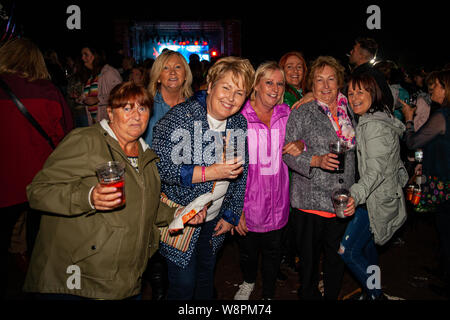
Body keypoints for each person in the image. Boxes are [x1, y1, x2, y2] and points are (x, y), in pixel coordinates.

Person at [23, 82, 205, 300]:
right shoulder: (86, 141)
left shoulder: (146, 156)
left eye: (142, 108)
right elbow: (38, 191)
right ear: (110, 112)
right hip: (78, 278)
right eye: (126, 108)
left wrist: (177, 214)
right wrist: (88, 197)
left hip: (125, 279)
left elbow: (147, 204)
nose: (136, 116)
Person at [152, 56, 255, 300]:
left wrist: (231, 214)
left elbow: (242, 172)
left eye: (239, 92)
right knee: (183, 287)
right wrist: (212, 171)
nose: (231, 98)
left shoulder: (238, 122)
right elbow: (159, 168)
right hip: (182, 217)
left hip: (215, 219)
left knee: (206, 278)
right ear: (210, 86)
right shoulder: (181, 117)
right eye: (226, 87)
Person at [0, 38, 73, 298]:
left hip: (4, 184)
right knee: (39, 245)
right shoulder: (49, 92)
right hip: (40, 182)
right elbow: (66, 137)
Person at [283, 56, 356, 300]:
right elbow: (288, 154)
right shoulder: (301, 112)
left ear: (339, 82)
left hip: (342, 201)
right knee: (309, 266)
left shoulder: (350, 109)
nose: (325, 86)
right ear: (311, 84)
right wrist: (315, 161)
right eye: (319, 80)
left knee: (337, 261)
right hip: (309, 202)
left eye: (331, 79)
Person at [232, 61, 304, 300]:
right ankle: (249, 281)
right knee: (248, 253)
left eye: (279, 83)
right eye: (269, 82)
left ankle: (269, 293)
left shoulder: (287, 114)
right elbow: (230, 166)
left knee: (274, 252)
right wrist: (236, 209)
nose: (275, 88)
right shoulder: (239, 117)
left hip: (278, 201)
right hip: (248, 204)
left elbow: (305, 139)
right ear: (256, 85)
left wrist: (301, 144)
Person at [339, 73, 408, 300]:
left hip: (371, 200)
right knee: (369, 251)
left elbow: (375, 170)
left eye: (361, 91)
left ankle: (376, 296)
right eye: (350, 93)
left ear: (373, 93)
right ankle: (372, 293)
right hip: (377, 196)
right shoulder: (376, 117)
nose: (354, 97)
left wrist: (355, 195)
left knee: (347, 251)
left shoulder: (373, 126)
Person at [400, 69, 450, 298]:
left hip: (444, 182)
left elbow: (413, 141)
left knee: (445, 229)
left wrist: (408, 118)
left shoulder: (443, 116)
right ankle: (442, 269)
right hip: (443, 177)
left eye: (436, 86)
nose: (431, 90)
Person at [142, 50, 193, 147]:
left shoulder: (195, 107)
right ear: (158, 77)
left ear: (185, 74)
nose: (172, 72)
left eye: (178, 67)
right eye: (165, 68)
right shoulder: (146, 105)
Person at [77, 45, 122, 125]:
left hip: (108, 122)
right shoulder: (91, 75)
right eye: (82, 55)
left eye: (86, 55)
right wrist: (80, 98)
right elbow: (89, 97)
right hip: (94, 122)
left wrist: (98, 99)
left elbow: (120, 95)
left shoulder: (109, 72)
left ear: (95, 56)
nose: (82, 58)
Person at [348, 37, 394, 109]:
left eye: (353, 50)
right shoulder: (376, 73)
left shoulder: (365, 75)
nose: (350, 52)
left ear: (361, 55)